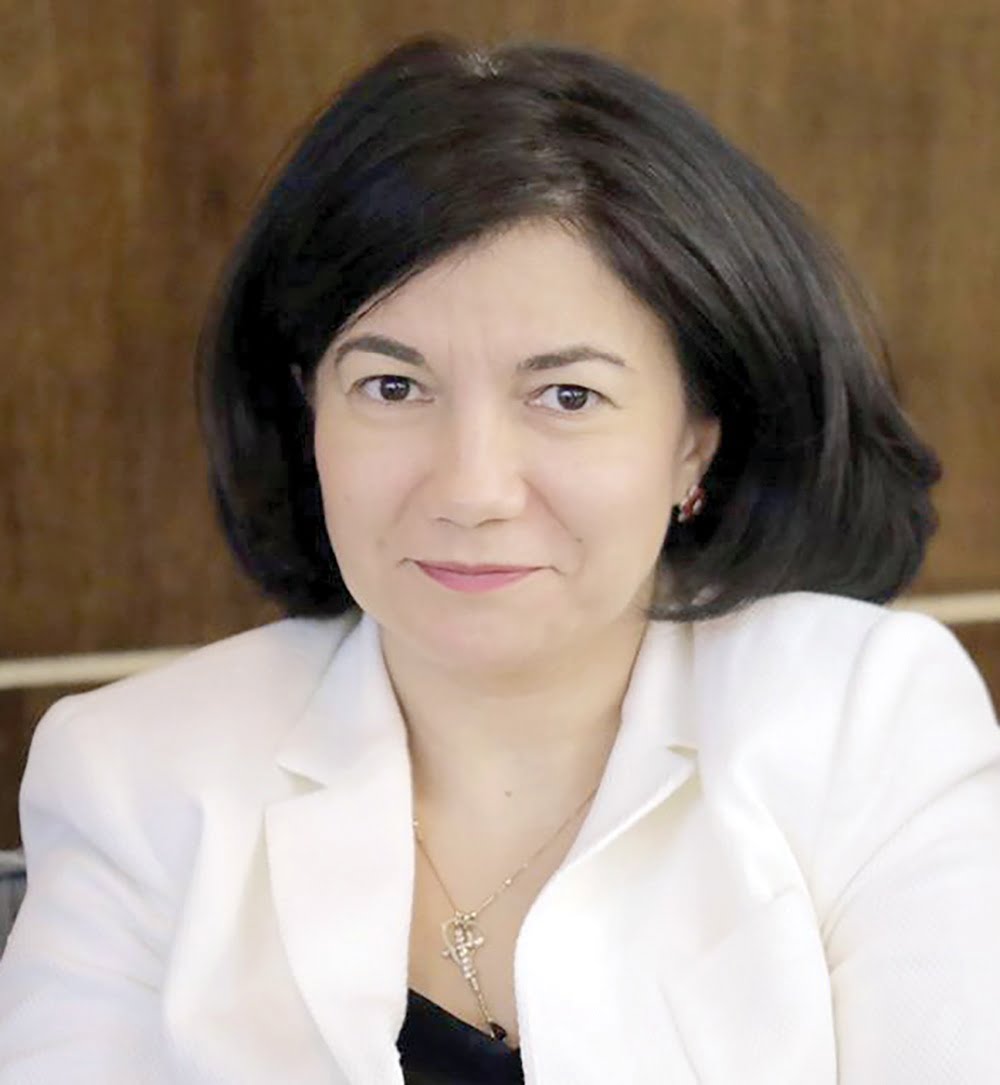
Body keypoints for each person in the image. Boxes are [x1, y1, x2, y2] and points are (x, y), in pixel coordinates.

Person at [1, 32, 998, 1085]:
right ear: (308, 415)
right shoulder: (136, 775)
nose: (472, 489)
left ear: (693, 443)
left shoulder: (867, 723)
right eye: (393, 387)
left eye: (567, 395)